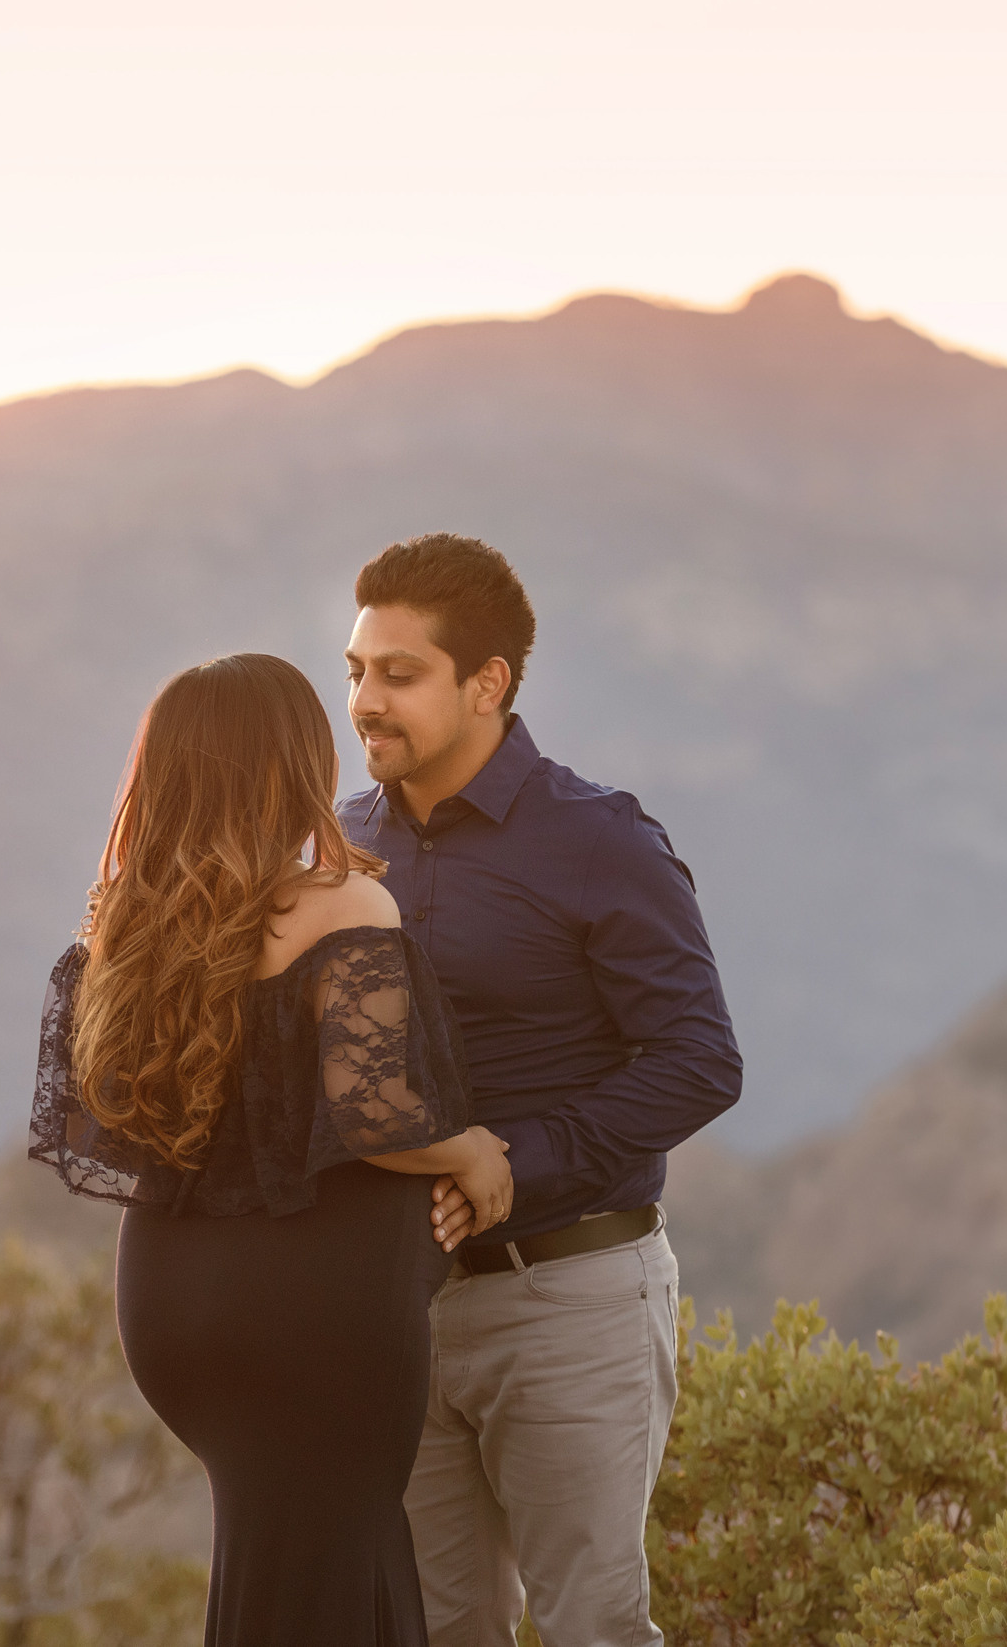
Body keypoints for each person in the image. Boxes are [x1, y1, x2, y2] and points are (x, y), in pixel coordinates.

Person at [30, 651, 515, 1647]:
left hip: (171, 1311)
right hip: (314, 1319)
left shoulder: (120, 930)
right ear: (288, 764)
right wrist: (473, 1153)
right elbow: (375, 1115)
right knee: (334, 1570)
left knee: (292, 1567)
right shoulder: (342, 907)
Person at [340, 534, 744, 1647]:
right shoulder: (338, 844)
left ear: (486, 684)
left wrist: (515, 1163)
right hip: (395, 1312)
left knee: (591, 1628)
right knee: (429, 1631)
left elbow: (700, 1059)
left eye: (398, 674)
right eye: (357, 672)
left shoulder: (597, 840)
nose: (366, 701)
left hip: (568, 1297)